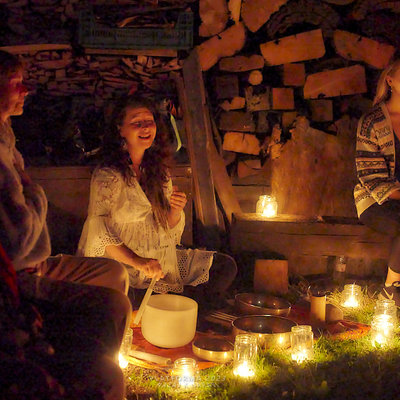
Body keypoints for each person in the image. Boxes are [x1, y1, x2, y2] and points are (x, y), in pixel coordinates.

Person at [0, 50, 131, 399]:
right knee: (115, 305)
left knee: (115, 274)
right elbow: (16, 239)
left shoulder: (5, 133)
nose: (26, 90)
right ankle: (89, 372)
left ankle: (107, 355)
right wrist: (37, 195)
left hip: (40, 261)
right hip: (21, 277)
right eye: (16, 84)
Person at [77, 95, 237, 303]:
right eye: (137, 123)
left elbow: (167, 230)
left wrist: (175, 211)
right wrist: (139, 262)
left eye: (149, 121)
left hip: (160, 262)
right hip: (123, 266)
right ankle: (179, 302)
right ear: (120, 130)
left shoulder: (159, 172)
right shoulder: (109, 175)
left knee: (225, 266)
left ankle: (171, 301)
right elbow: (98, 231)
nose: (146, 128)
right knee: (118, 294)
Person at [354, 59, 400, 305]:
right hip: (375, 201)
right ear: (390, 80)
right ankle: (391, 291)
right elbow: (370, 176)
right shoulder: (372, 122)